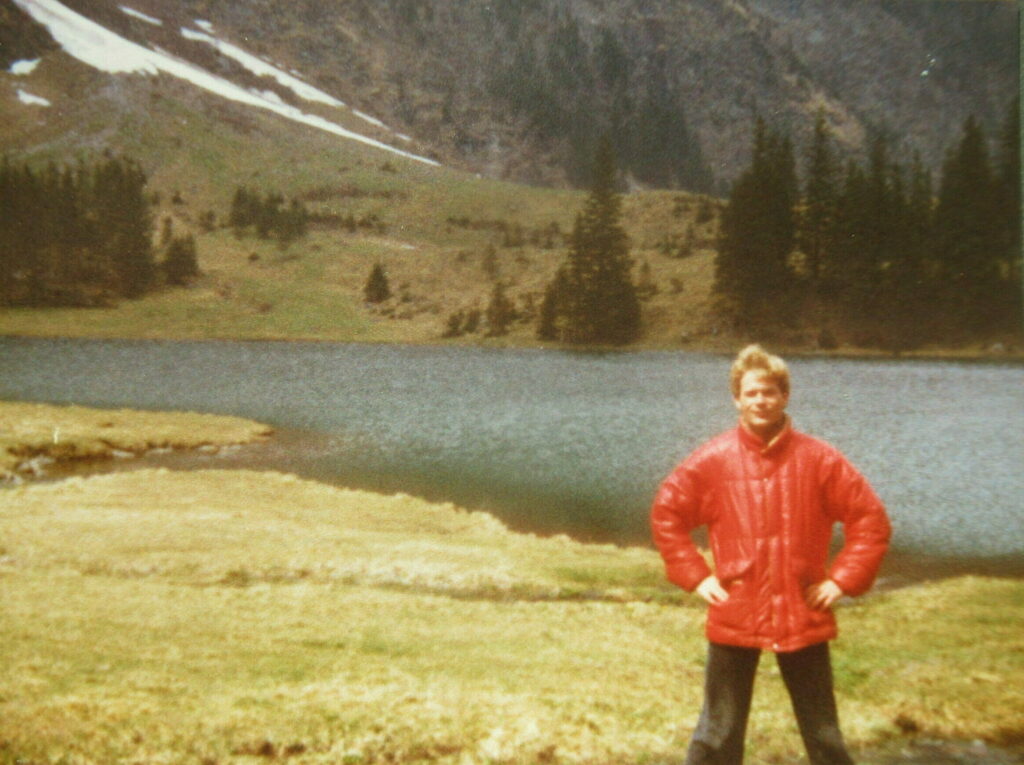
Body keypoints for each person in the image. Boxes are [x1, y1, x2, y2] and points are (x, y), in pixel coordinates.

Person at [650, 344, 891, 764]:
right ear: (736, 399)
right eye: (751, 393)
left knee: (823, 732)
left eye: (769, 392)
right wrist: (698, 575)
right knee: (718, 732)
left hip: (802, 608)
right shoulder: (713, 460)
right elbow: (667, 512)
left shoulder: (819, 460)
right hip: (735, 609)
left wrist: (841, 580)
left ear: (784, 396)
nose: (760, 401)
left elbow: (870, 521)